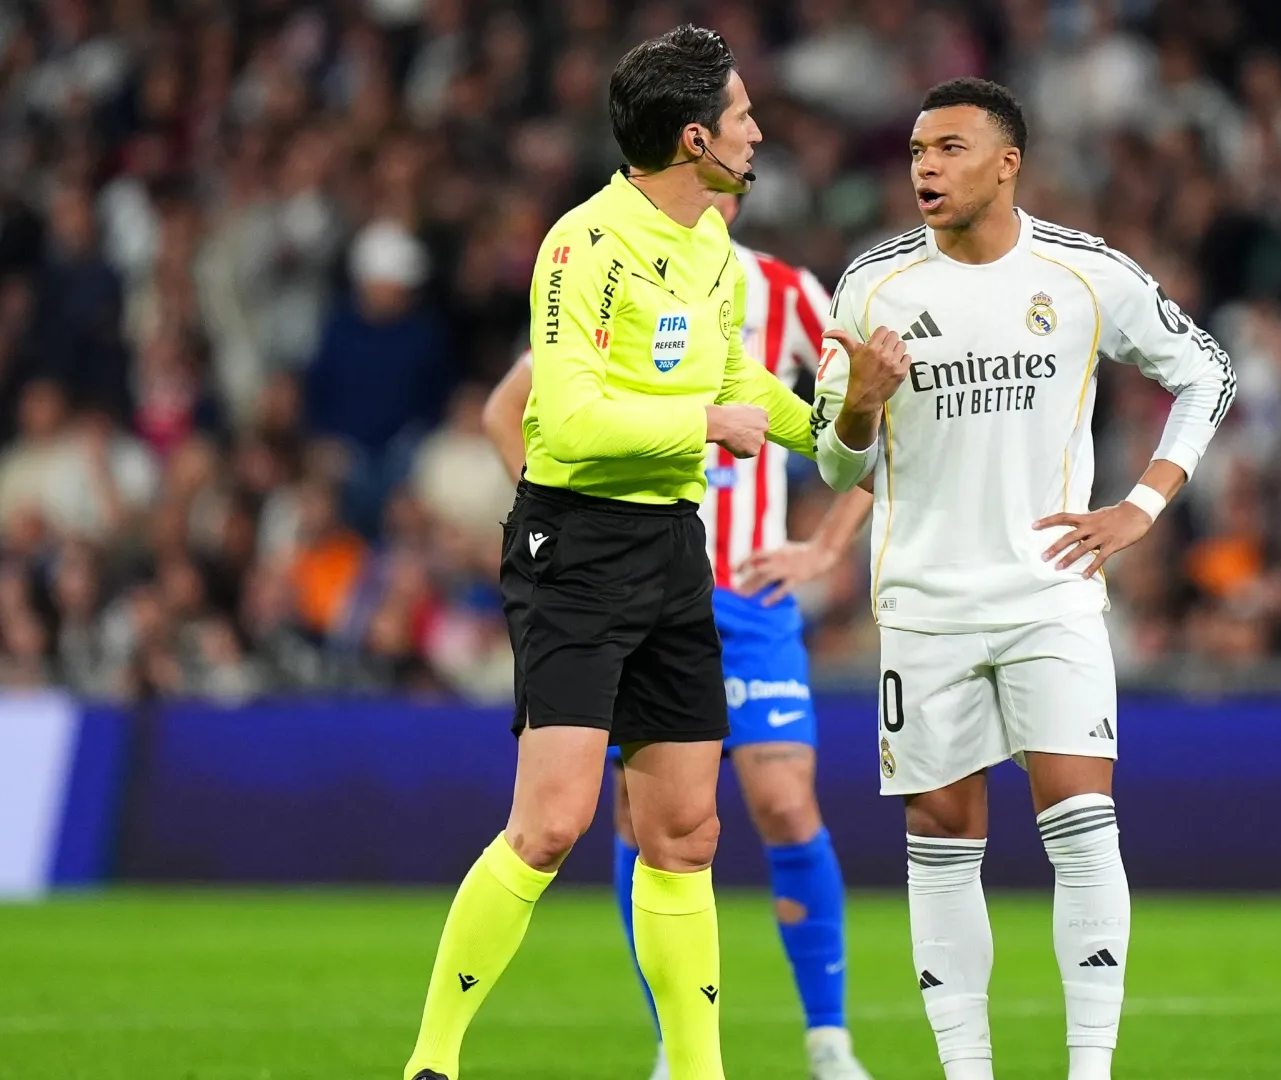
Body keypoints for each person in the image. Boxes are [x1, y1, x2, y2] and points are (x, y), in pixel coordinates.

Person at [401, 26, 815, 1080]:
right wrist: (702, 427)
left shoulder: (714, 246)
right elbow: (569, 420)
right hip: (575, 542)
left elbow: (746, 384)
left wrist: (842, 427)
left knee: (686, 832)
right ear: (693, 138)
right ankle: (433, 1060)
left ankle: (699, 1070)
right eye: (742, 114)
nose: (757, 128)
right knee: (551, 825)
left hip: (676, 542)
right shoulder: (582, 247)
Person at [811, 78, 1235, 1080]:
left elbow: (1206, 370)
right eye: (917, 149)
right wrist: (861, 409)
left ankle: (1090, 1071)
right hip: (924, 606)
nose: (925, 166)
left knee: (1082, 824)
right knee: (943, 837)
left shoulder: (1083, 273)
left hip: (1051, 590)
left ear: (1008, 163)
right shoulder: (873, 285)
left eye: (951, 147)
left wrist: (1143, 506)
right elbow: (837, 467)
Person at [481, 191, 876, 1080]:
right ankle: (676, 1041)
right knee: (641, 817)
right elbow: (510, 410)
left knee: (783, 804)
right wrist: (559, 516)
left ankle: (829, 1041)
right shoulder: (611, 271)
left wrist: (824, 545)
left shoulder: (785, 291)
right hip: (636, 584)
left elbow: (865, 422)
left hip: (749, 600)